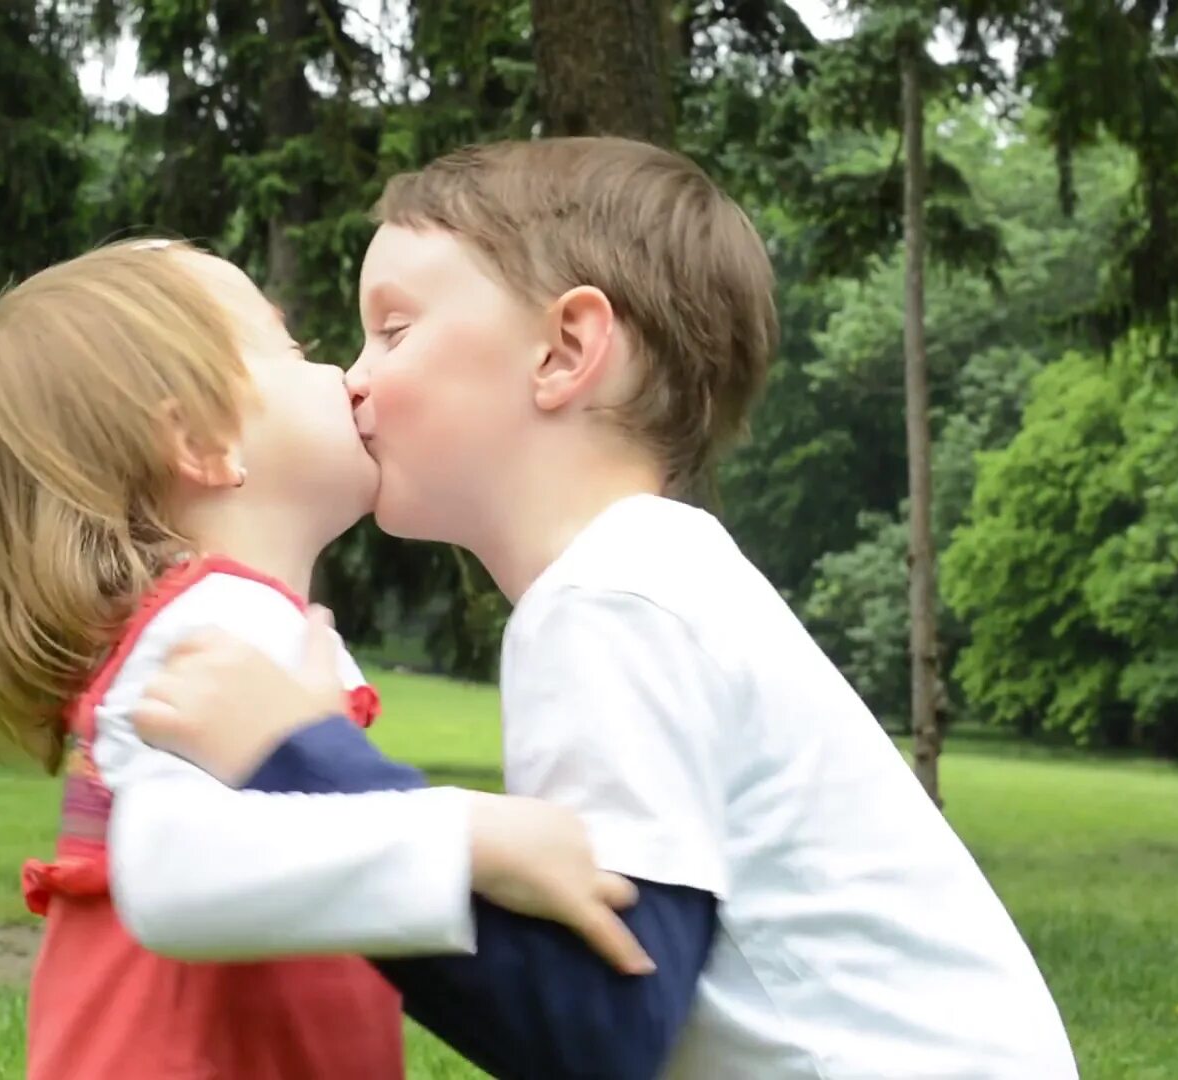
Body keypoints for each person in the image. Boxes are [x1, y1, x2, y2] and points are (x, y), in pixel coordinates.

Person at [133, 136, 1080, 1079]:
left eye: (396, 328)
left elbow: (603, 1028)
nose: (356, 375)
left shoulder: (613, 599)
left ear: (564, 349)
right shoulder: (644, 580)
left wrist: (304, 763)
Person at [0, 237, 650, 1080]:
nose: (349, 377)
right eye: (293, 350)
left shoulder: (227, 624)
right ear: (203, 441)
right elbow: (171, 872)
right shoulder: (214, 627)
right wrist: (472, 836)